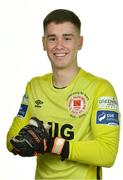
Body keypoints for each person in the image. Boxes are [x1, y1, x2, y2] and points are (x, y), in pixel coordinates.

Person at [7, 9, 120, 179]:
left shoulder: (101, 89)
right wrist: (23, 145)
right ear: (44, 43)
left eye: (67, 38)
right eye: (52, 38)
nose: (59, 46)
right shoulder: (34, 86)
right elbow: (12, 140)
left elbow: (107, 153)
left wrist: (51, 145)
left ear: (80, 42)